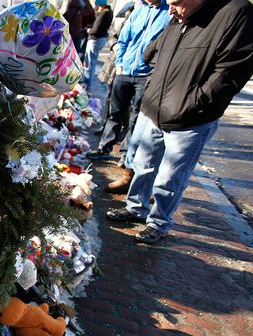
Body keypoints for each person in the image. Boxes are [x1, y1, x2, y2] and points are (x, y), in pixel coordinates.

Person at [106, 0, 253, 244]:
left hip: (190, 119)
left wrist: (194, 104)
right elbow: (152, 53)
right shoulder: (178, 18)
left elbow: (230, 72)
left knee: (170, 176)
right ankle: (136, 208)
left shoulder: (236, 13)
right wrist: (155, 88)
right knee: (142, 165)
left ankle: (158, 222)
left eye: (176, 4)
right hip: (154, 110)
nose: (169, 9)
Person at [85, 0, 171, 174]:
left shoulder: (169, 13)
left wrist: (153, 70)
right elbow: (123, 39)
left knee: (136, 118)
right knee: (114, 112)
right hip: (124, 71)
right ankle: (104, 147)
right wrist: (120, 63)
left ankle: (126, 154)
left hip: (146, 75)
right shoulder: (139, 11)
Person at [82, 0, 113, 88]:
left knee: (89, 63)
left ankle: (87, 85)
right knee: (92, 62)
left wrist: (88, 30)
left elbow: (96, 29)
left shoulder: (104, 13)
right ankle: (88, 84)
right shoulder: (109, 12)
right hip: (101, 39)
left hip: (95, 39)